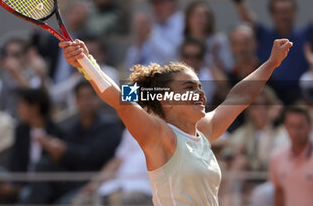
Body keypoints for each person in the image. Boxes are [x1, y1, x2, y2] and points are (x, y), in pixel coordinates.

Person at [60, 36, 293, 205]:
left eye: (200, 87)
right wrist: (86, 62)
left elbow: (240, 96)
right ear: (166, 100)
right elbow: (120, 98)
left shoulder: (204, 131)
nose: (201, 93)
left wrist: (270, 63)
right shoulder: (161, 137)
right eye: (190, 87)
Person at [225, 0, 313, 103]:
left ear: (295, 12)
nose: (284, 16)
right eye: (279, 12)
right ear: (272, 14)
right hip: (267, 98)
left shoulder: (305, 35)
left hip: (298, 98)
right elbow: (245, 14)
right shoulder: (263, 35)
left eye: (287, 11)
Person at [20, 81, 122, 204]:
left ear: (98, 99)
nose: (87, 102)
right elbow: (69, 159)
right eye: (82, 97)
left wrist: (64, 150)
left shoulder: (109, 126)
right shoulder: (73, 128)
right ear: (76, 101)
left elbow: (93, 156)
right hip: (71, 179)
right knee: (43, 165)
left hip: (94, 181)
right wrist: (57, 153)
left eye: (90, 97)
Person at [270, 105, 313, 206]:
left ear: (311, 126)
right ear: (286, 127)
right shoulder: (277, 158)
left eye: (300, 126)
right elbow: (279, 192)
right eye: (291, 126)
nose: (295, 131)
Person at [183, 0, 233, 72]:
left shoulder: (219, 41)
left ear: (209, 19)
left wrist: (214, 56)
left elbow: (228, 66)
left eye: (204, 16)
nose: (200, 20)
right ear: (188, 19)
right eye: (196, 16)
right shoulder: (180, 43)